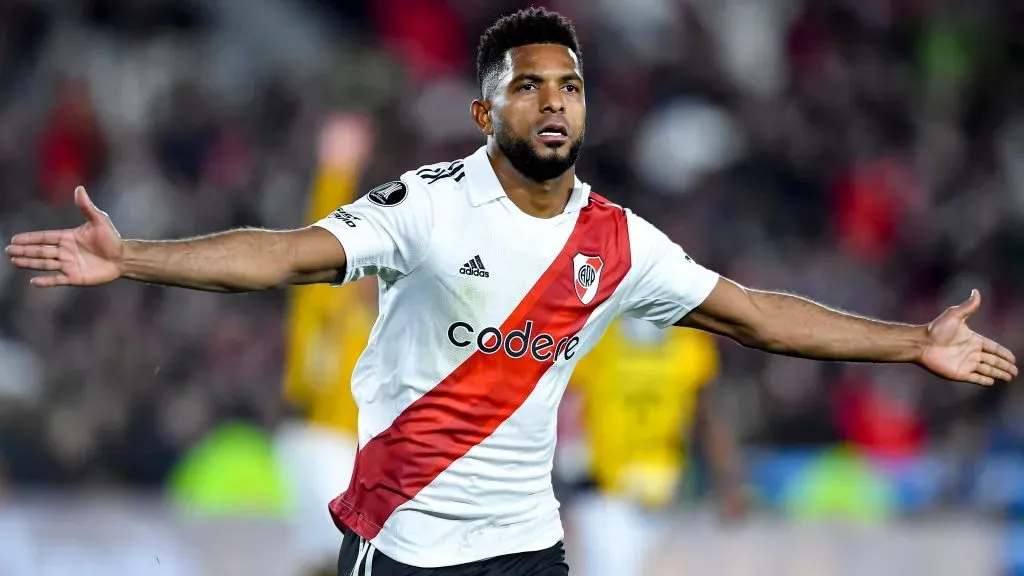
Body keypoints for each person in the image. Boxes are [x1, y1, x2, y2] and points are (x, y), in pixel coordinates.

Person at [4, 7, 1016, 576]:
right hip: (400, 546)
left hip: (526, 553)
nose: (552, 102)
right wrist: (132, 256)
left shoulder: (619, 242)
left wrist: (909, 340)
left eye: (568, 85)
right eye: (528, 85)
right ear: (486, 106)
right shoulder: (428, 205)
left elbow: (755, 315)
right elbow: (284, 255)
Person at [563, 317, 748, 576]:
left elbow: (708, 413)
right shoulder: (598, 331)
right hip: (603, 491)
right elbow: (566, 402)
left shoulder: (689, 339)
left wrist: (728, 482)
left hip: (664, 492)